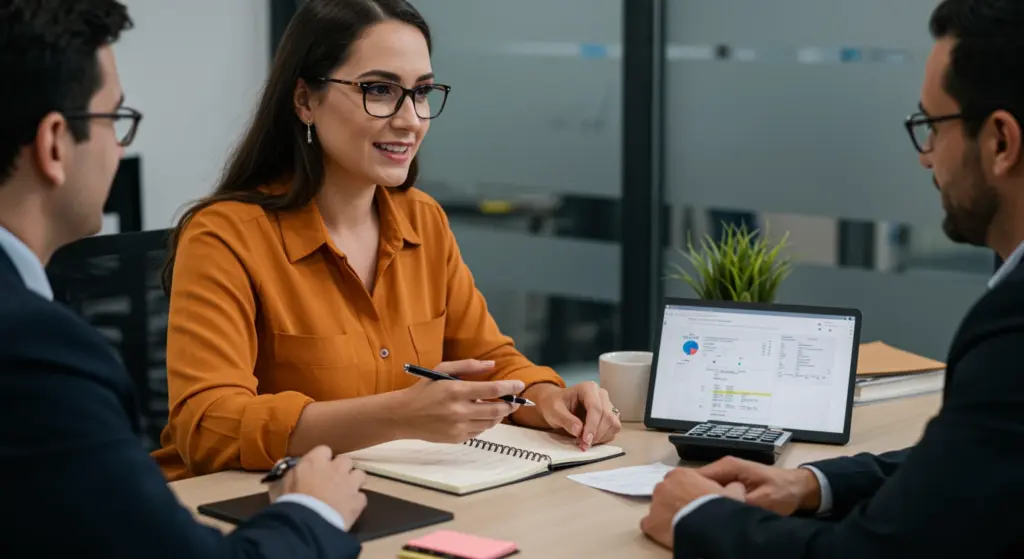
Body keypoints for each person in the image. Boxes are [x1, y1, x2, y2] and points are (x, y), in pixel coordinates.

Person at [151, 0, 622, 481]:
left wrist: (548, 398)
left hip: (394, 493)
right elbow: (207, 426)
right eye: (379, 89)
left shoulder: (423, 219)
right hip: (250, 510)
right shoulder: (225, 236)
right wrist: (400, 415)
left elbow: (491, 361)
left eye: (421, 92)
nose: (411, 119)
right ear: (304, 100)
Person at [641, 0, 1024, 557]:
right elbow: (980, 460)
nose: (925, 159)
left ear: (1000, 142)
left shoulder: (1012, 328)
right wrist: (813, 483)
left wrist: (698, 517)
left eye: (931, 127)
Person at [0, 1, 367, 557]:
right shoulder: (35, 350)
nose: (118, 148)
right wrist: (311, 508)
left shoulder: (422, 220)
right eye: (113, 121)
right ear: (54, 144)